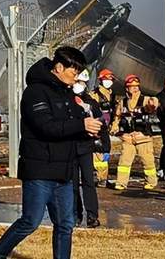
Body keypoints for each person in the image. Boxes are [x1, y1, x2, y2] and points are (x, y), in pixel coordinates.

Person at [0, 47, 102, 259]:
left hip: (64, 172)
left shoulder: (67, 93)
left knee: (65, 224)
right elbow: (46, 126)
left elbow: (72, 125)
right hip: (40, 170)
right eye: (73, 72)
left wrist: (89, 131)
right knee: (30, 221)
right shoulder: (35, 92)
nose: (76, 78)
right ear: (58, 67)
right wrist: (81, 125)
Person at [112, 74, 159, 190]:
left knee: (148, 162)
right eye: (132, 86)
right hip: (128, 137)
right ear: (127, 88)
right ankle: (121, 183)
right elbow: (117, 117)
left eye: (136, 86)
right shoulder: (123, 102)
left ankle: (151, 182)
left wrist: (154, 103)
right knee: (124, 162)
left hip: (143, 137)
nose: (135, 88)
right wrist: (114, 127)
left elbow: (154, 103)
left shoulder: (145, 100)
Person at [72, 69, 103, 228]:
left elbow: (101, 122)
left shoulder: (91, 102)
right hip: (70, 147)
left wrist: (103, 145)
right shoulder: (66, 99)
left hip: (85, 146)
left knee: (88, 182)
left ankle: (92, 215)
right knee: (72, 184)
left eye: (81, 83)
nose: (78, 85)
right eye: (76, 82)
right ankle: (74, 215)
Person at [89, 68, 116, 187]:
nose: (109, 81)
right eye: (106, 79)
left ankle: (102, 177)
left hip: (106, 126)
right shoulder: (95, 94)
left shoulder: (111, 94)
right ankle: (100, 178)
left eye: (110, 79)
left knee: (105, 149)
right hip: (98, 125)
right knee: (99, 149)